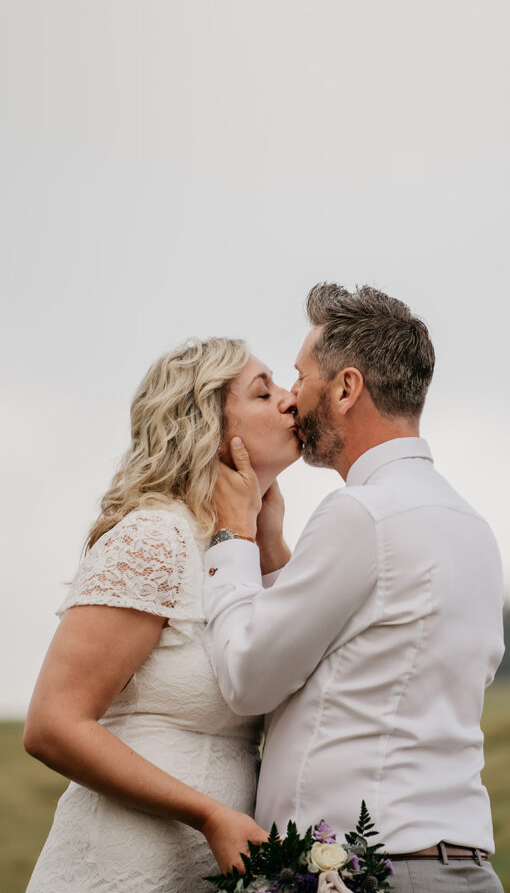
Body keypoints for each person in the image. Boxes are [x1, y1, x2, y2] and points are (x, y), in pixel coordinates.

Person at [204, 283, 506, 893]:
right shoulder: (473, 528)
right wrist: (271, 550)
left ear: (345, 388)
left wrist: (234, 537)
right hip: (462, 867)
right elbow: (356, 654)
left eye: (299, 376)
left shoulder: (360, 516)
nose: (290, 397)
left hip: (377, 872)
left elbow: (247, 676)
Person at [24, 337, 301, 892]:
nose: (291, 400)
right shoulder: (157, 537)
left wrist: (266, 539)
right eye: (263, 391)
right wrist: (207, 814)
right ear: (207, 428)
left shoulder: (242, 556)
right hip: (120, 866)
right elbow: (53, 725)